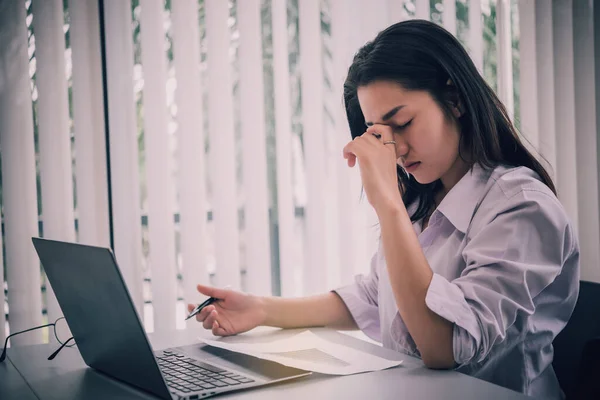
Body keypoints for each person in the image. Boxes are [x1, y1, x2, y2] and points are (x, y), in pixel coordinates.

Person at [188, 20, 579, 399]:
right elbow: (375, 297)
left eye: (403, 123)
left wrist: (388, 204)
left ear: (455, 100)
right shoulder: (426, 199)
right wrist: (259, 309)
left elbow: (444, 346)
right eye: (377, 132)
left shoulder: (522, 207)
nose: (395, 149)